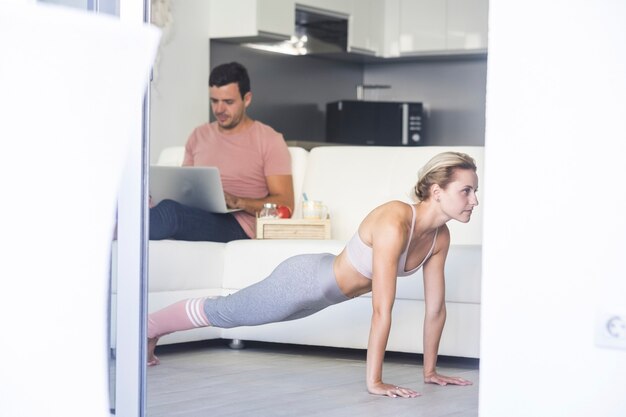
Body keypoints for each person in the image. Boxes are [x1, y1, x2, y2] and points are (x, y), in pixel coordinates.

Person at [147, 151, 479, 398]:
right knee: (227, 313)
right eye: (466, 191)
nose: (474, 200)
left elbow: (435, 309)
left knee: (229, 312)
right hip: (305, 281)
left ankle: (151, 332)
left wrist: (430, 371)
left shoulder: (440, 237)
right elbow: (381, 309)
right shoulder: (395, 221)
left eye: (474, 191)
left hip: (324, 296)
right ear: (437, 192)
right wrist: (374, 381)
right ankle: (147, 327)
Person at [149, 62, 294, 242]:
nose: (219, 109)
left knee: (170, 213)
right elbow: (186, 187)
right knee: (152, 207)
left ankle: (113, 234)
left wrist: (238, 202)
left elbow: (286, 205)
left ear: (247, 99)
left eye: (228, 102)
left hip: (238, 226)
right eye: (214, 101)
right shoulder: (199, 135)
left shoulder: (269, 139)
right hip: (199, 215)